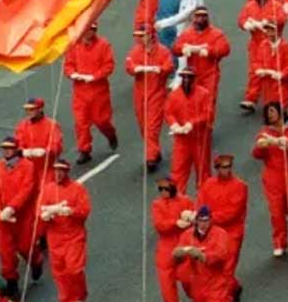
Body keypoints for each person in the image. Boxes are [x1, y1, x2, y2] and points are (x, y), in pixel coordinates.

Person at [0, 134, 43, 293]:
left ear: (16, 149)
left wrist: (11, 208)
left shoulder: (28, 166)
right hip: (3, 217)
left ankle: (36, 260)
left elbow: (26, 190)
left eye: (9, 148)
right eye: (4, 148)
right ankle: (11, 280)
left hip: (23, 215)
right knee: (5, 251)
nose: (6, 151)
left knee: (25, 246)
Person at [252, 101, 288, 256]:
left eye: (272, 111)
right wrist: (260, 147)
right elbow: (256, 154)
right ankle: (279, 243)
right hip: (273, 177)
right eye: (267, 112)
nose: (270, 115)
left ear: (280, 112)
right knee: (276, 212)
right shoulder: (264, 132)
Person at [38, 154, 91, 302]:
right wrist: (45, 216)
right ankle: (67, 301)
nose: (58, 174)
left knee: (74, 269)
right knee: (59, 270)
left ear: (67, 172)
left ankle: (80, 297)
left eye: (61, 171)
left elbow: (84, 211)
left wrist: (71, 211)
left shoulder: (77, 189)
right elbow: (40, 209)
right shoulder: (48, 189)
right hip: (55, 236)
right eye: (56, 171)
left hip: (74, 234)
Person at [196, 152, 250, 302]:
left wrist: (206, 219)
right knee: (215, 269)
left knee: (226, 269)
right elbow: (200, 203)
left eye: (229, 167)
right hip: (212, 232)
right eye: (223, 167)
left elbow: (232, 213)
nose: (227, 170)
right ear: (217, 168)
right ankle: (235, 287)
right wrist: (199, 217)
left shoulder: (240, 186)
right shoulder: (208, 184)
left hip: (232, 233)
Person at [62, 20, 118, 164]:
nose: (89, 33)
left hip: (98, 91)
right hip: (80, 91)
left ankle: (110, 134)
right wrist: (72, 74)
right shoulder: (74, 46)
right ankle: (84, 150)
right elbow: (68, 65)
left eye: (92, 30)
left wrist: (94, 76)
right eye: (87, 30)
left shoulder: (104, 45)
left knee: (102, 120)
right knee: (81, 123)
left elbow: (109, 65)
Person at [125, 25, 175, 172]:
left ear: (151, 35)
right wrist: (137, 69)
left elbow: (169, 66)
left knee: (151, 127)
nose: (141, 38)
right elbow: (129, 66)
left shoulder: (163, 51)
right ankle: (154, 150)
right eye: (140, 36)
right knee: (143, 125)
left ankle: (150, 157)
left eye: (144, 35)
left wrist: (159, 69)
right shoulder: (136, 51)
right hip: (140, 93)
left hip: (157, 93)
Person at [172, 5, 230, 122]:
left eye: (204, 16)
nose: (201, 19)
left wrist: (209, 51)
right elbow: (176, 48)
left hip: (210, 74)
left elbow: (225, 49)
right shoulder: (187, 34)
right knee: (191, 101)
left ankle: (206, 130)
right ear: (194, 17)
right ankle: (193, 126)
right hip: (192, 75)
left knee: (207, 102)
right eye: (198, 16)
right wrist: (183, 48)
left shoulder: (216, 34)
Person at [164, 61, 213, 190]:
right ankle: (178, 202)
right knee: (178, 172)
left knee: (203, 172)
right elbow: (168, 112)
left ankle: (204, 202)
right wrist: (174, 125)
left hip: (199, 138)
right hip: (182, 139)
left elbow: (207, 114)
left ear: (194, 78)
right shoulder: (174, 95)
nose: (186, 80)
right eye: (184, 77)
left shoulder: (203, 94)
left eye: (189, 77)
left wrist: (192, 123)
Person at [151, 174, 191, 302]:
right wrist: (175, 223)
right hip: (166, 244)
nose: (162, 191)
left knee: (188, 277)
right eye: (160, 188)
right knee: (165, 278)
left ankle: (196, 295)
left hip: (185, 241)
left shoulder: (186, 201)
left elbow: (195, 219)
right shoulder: (157, 204)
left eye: (165, 188)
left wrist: (190, 218)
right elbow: (159, 225)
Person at [13, 96, 64, 171]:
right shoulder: (22, 126)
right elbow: (17, 143)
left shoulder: (52, 125)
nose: (28, 112)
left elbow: (57, 146)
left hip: (47, 168)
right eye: (27, 109)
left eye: (31, 109)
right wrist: (22, 151)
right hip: (27, 169)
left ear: (40, 109)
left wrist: (45, 151)